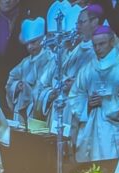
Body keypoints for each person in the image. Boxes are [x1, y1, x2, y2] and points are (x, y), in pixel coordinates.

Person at [71, 26, 119, 164]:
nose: (97, 48)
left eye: (102, 44)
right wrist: (87, 104)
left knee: (108, 167)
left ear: (112, 42)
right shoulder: (87, 68)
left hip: (112, 127)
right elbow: (75, 95)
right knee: (86, 168)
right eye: (94, 45)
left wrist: (104, 101)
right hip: (89, 125)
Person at [35, 5, 103, 134]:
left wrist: (76, 85)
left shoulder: (98, 50)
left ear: (94, 22)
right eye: (77, 23)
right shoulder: (64, 53)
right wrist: (50, 94)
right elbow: (44, 84)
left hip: (77, 115)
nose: (77, 28)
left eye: (81, 23)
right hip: (58, 111)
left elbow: (102, 84)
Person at [6, 17, 52, 122]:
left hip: (39, 110)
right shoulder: (25, 62)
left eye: (33, 42)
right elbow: (11, 80)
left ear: (42, 39)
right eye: (27, 44)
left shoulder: (50, 59)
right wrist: (16, 86)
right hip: (22, 109)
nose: (30, 47)